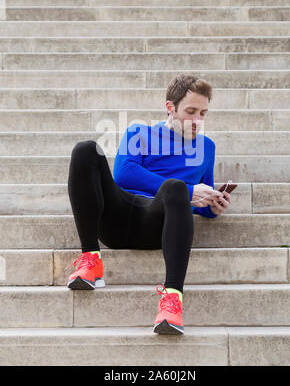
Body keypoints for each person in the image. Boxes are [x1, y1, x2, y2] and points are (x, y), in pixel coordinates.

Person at [66, 74, 232, 335]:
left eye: (203, 113)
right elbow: (124, 174)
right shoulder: (139, 132)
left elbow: (200, 197)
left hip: (158, 224)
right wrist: (190, 191)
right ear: (170, 108)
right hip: (117, 216)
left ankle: (172, 300)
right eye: (190, 111)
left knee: (175, 187)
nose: (197, 120)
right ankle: (91, 259)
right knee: (85, 149)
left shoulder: (206, 147)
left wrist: (211, 206)